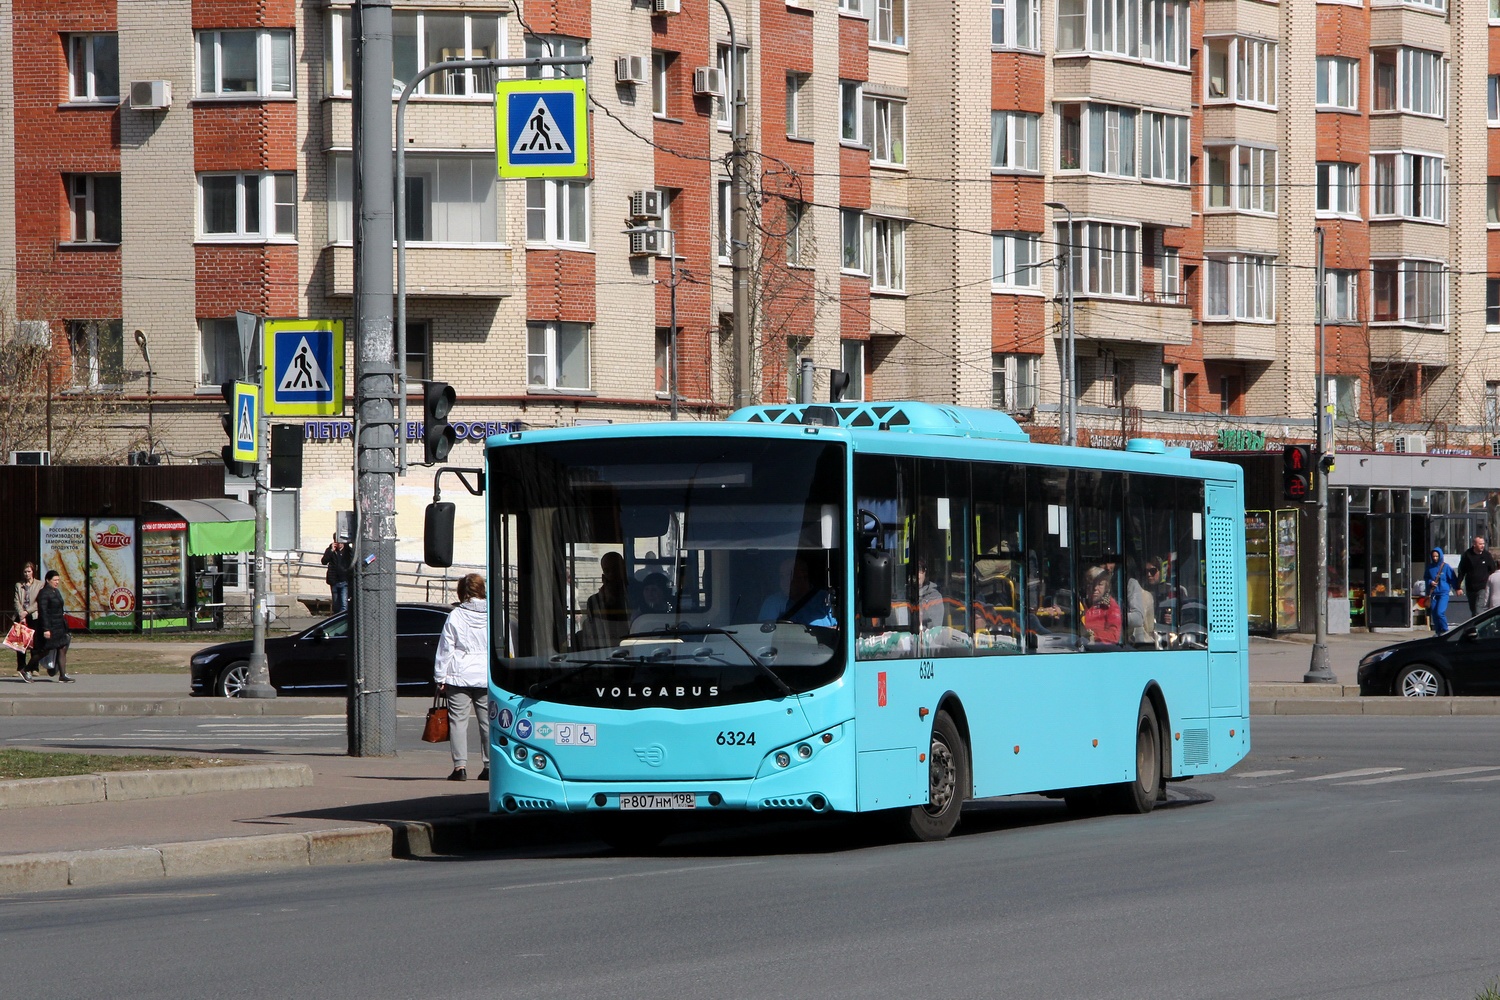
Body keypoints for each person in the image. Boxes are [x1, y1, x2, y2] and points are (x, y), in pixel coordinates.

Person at [433, 573, 490, 781]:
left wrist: (440, 677)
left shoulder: (456, 615)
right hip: (486, 675)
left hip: (459, 675)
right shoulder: (493, 614)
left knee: (458, 722)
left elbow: (446, 648)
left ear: (462, 592)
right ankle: (489, 766)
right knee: (487, 723)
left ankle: (460, 768)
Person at [758, 553, 837, 627]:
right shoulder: (773, 602)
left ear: (804, 576)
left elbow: (843, 630)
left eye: (789, 576)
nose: (784, 581)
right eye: (782, 576)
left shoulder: (825, 599)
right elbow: (765, 633)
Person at [581, 552, 630, 646]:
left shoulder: (636, 592)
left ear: (623, 568)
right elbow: (597, 626)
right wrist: (607, 599)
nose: (612, 574)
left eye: (615, 569)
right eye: (607, 571)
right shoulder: (594, 600)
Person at [34, 570, 73, 683]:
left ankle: (62, 675)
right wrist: (46, 629)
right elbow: (43, 612)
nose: (57, 582)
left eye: (58, 580)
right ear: (48, 580)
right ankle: (27, 669)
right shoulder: (44, 593)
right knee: (45, 651)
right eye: (55, 580)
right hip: (50, 627)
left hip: (59, 626)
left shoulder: (56, 591)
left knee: (62, 648)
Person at [13, 562, 42, 682]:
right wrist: (21, 613)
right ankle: (21, 667)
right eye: (25, 572)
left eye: (29, 571)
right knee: (20, 644)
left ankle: (34, 668)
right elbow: (16, 601)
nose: (27, 574)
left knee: (34, 644)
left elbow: (38, 602)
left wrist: (27, 611)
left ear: (33, 572)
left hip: (33, 616)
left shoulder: (40, 584)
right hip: (21, 617)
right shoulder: (19, 585)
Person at [1456, 535, 1498, 616]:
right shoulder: (1467, 555)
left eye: (1483, 544)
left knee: (1479, 609)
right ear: (1474, 544)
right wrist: (1458, 587)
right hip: (1470, 588)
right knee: (1473, 610)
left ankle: (1479, 627)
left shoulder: (1487, 555)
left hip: (1483, 587)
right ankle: (1475, 627)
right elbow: (1461, 571)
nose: (1482, 546)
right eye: (1480, 544)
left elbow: (1492, 570)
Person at [1081, 566, 1122, 645]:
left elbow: (1114, 636)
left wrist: (1093, 635)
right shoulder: (1079, 603)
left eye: (1100, 584)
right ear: (1086, 586)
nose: (1095, 588)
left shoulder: (1111, 607)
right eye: (1091, 583)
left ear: (1106, 587)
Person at [1424, 547, 1459, 633]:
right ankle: (1438, 631)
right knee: (1434, 614)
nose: (1435, 558)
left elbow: (1452, 579)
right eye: (1433, 556)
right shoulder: (1429, 568)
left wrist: (1457, 588)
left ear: (1440, 556)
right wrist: (1430, 582)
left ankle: (1445, 630)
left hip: (1443, 593)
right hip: (1433, 593)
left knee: (1440, 612)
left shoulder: (1446, 567)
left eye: (1437, 556)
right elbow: (1426, 577)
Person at [321, 533, 355, 614]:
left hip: (344, 581)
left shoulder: (348, 551)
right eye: (337, 541)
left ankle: (342, 620)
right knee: (336, 604)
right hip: (334, 581)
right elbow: (324, 561)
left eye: (341, 542)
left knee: (344, 604)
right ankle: (336, 617)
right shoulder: (330, 550)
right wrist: (331, 551)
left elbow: (353, 559)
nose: (339, 544)